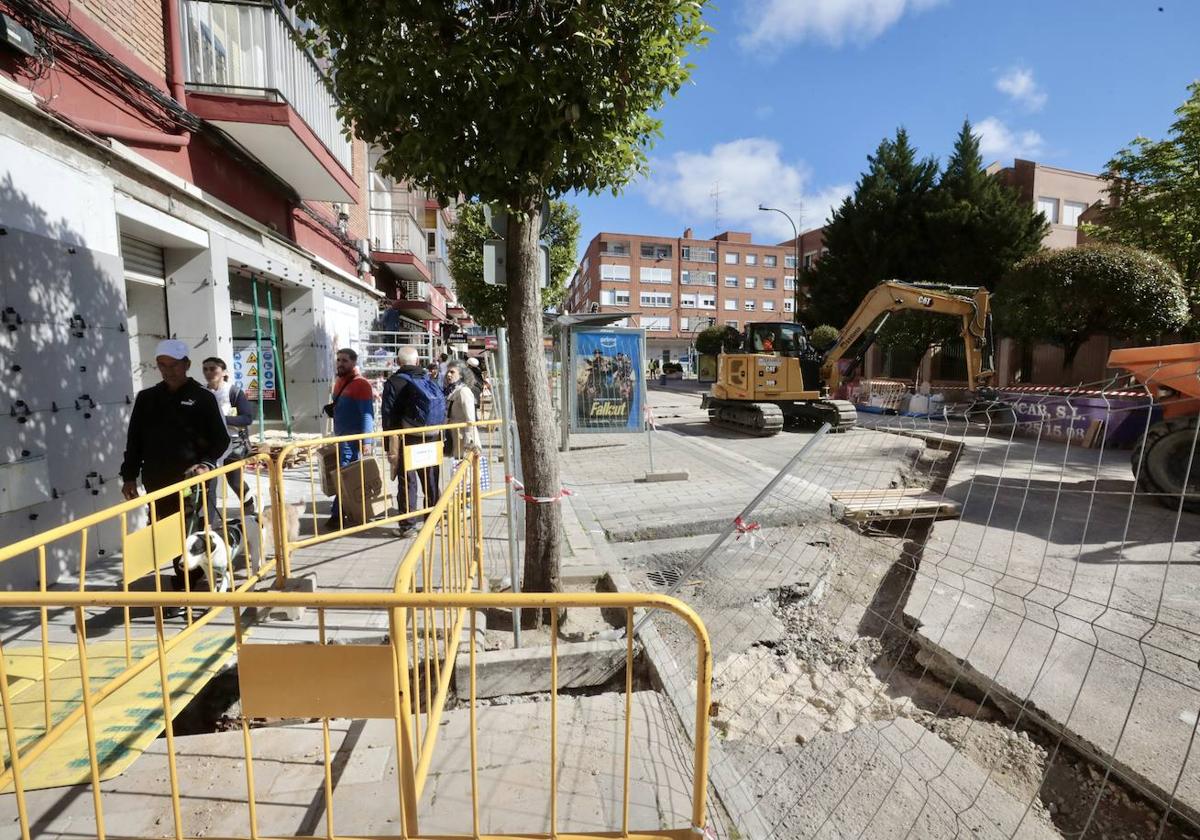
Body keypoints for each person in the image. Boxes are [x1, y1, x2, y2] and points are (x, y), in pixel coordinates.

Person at [120, 339, 230, 566]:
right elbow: (134, 441)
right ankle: (178, 586)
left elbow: (222, 439)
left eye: (174, 365)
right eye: (162, 365)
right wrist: (129, 475)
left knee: (193, 533)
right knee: (165, 533)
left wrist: (206, 464)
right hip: (157, 480)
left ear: (187, 364)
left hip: (194, 480)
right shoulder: (146, 398)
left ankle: (195, 583)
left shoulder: (203, 397)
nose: (168, 371)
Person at [381, 346, 447, 537]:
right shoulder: (429, 379)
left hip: (406, 437)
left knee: (407, 480)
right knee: (431, 479)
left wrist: (389, 445)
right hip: (432, 435)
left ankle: (408, 525)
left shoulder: (393, 382)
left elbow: (388, 415)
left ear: (398, 362)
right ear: (418, 362)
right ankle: (433, 518)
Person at [323, 348, 374, 529]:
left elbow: (367, 415)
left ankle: (337, 514)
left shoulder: (361, 384)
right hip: (341, 438)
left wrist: (367, 441)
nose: (340, 363)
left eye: (344, 360)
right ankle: (350, 512)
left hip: (352, 441)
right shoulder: (339, 381)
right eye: (338, 360)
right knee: (345, 478)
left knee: (344, 478)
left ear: (353, 362)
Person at [199, 357, 255, 521]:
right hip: (210, 446)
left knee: (235, 482)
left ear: (224, 372)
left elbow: (247, 418)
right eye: (206, 369)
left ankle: (249, 504)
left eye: (213, 369)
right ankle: (208, 522)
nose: (209, 373)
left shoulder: (234, 392)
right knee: (210, 484)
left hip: (233, 444)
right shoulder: (202, 393)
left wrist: (222, 419)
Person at [444, 361, 481, 461]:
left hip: (464, 439)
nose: (448, 374)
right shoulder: (453, 390)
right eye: (448, 372)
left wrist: (470, 440)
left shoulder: (464, 391)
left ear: (461, 375)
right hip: (455, 436)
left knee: (466, 470)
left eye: (452, 372)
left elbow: (470, 418)